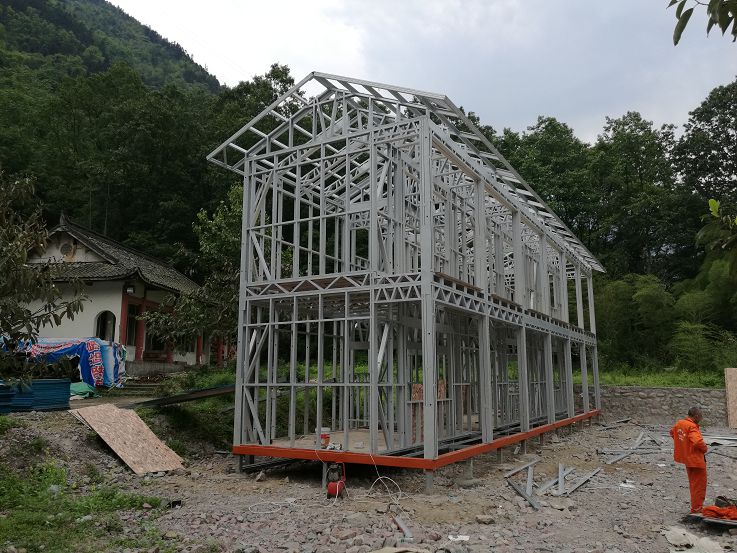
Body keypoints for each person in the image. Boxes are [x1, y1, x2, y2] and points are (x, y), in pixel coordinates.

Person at [670, 406, 708, 513]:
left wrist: (684, 445)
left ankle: (696, 507)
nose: (701, 418)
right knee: (699, 485)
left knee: (693, 484)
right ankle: (697, 508)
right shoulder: (692, 426)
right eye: (700, 416)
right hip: (696, 461)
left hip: (687, 459)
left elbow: (672, 432)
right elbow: (697, 442)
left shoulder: (680, 423)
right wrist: (705, 448)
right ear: (696, 416)